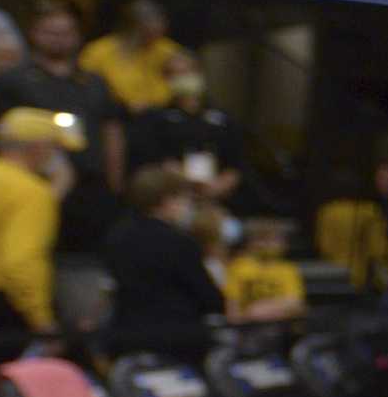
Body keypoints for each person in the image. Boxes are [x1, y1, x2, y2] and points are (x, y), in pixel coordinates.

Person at [0, 5, 123, 249]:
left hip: (90, 188)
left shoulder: (95, 82)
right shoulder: (13, 79)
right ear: (34, 33)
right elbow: (2, 132)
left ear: (77, 36)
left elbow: (112, 132)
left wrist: (115, 184)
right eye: (50, 32)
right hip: (35, 183)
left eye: (65, 32)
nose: (58, 39)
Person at [99, 165, 224, 363]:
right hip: (177, 341)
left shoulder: (116, 237)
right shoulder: (180, 242)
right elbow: (210, 298)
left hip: (125, 336)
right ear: (167, 202)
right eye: (183, 199)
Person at [0, 108, 69, 356]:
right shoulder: (31, 192)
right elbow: (21, 262)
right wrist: (42, 321)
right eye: (56, 147)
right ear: (38, 147)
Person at [129, 60, 249, 208]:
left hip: (218, 197)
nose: (182, 79)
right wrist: (189, 182)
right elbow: (155, 158)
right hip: (173, 197)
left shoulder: (223, 118)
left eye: (186, 73)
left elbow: (235, 164)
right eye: (174, 75)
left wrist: (217, 187)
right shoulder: (155, 118)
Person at [79, 0, 191, 116]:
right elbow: (85, 86)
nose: (154, 35)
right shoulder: (99, 51)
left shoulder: (165, 49)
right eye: (146, 29)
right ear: (132, 26)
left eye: (160, 27)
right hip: (112, 114)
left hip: (158, 115)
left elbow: (188, 85)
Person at [224, 217, 307, 326]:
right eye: (262, 239)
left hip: (282, 326)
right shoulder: (239, 266)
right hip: (248, 327)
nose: (268, 245)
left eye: (274, 240)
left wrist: (262, 309)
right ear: (251, 242)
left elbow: (295, 304)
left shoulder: (287, 269)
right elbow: (232, 306)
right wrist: (248, 316)